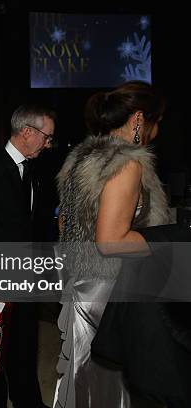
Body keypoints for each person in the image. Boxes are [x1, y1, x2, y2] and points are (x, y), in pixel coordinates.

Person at [54, 81, 170, 407]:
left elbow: (65, 224)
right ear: (138, 119)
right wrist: (166, 242)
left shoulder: (80, 158)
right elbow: (111, 241)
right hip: (110, 295)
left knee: (86, 385)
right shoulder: (127, 163)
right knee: (108, 389)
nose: (157, 130)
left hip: (82, 287)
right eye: (155, 121)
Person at [0, 104, 55, 408]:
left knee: (24, 347)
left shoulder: (33, 171)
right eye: (46, 138)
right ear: (27, 132)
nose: (48, 145)